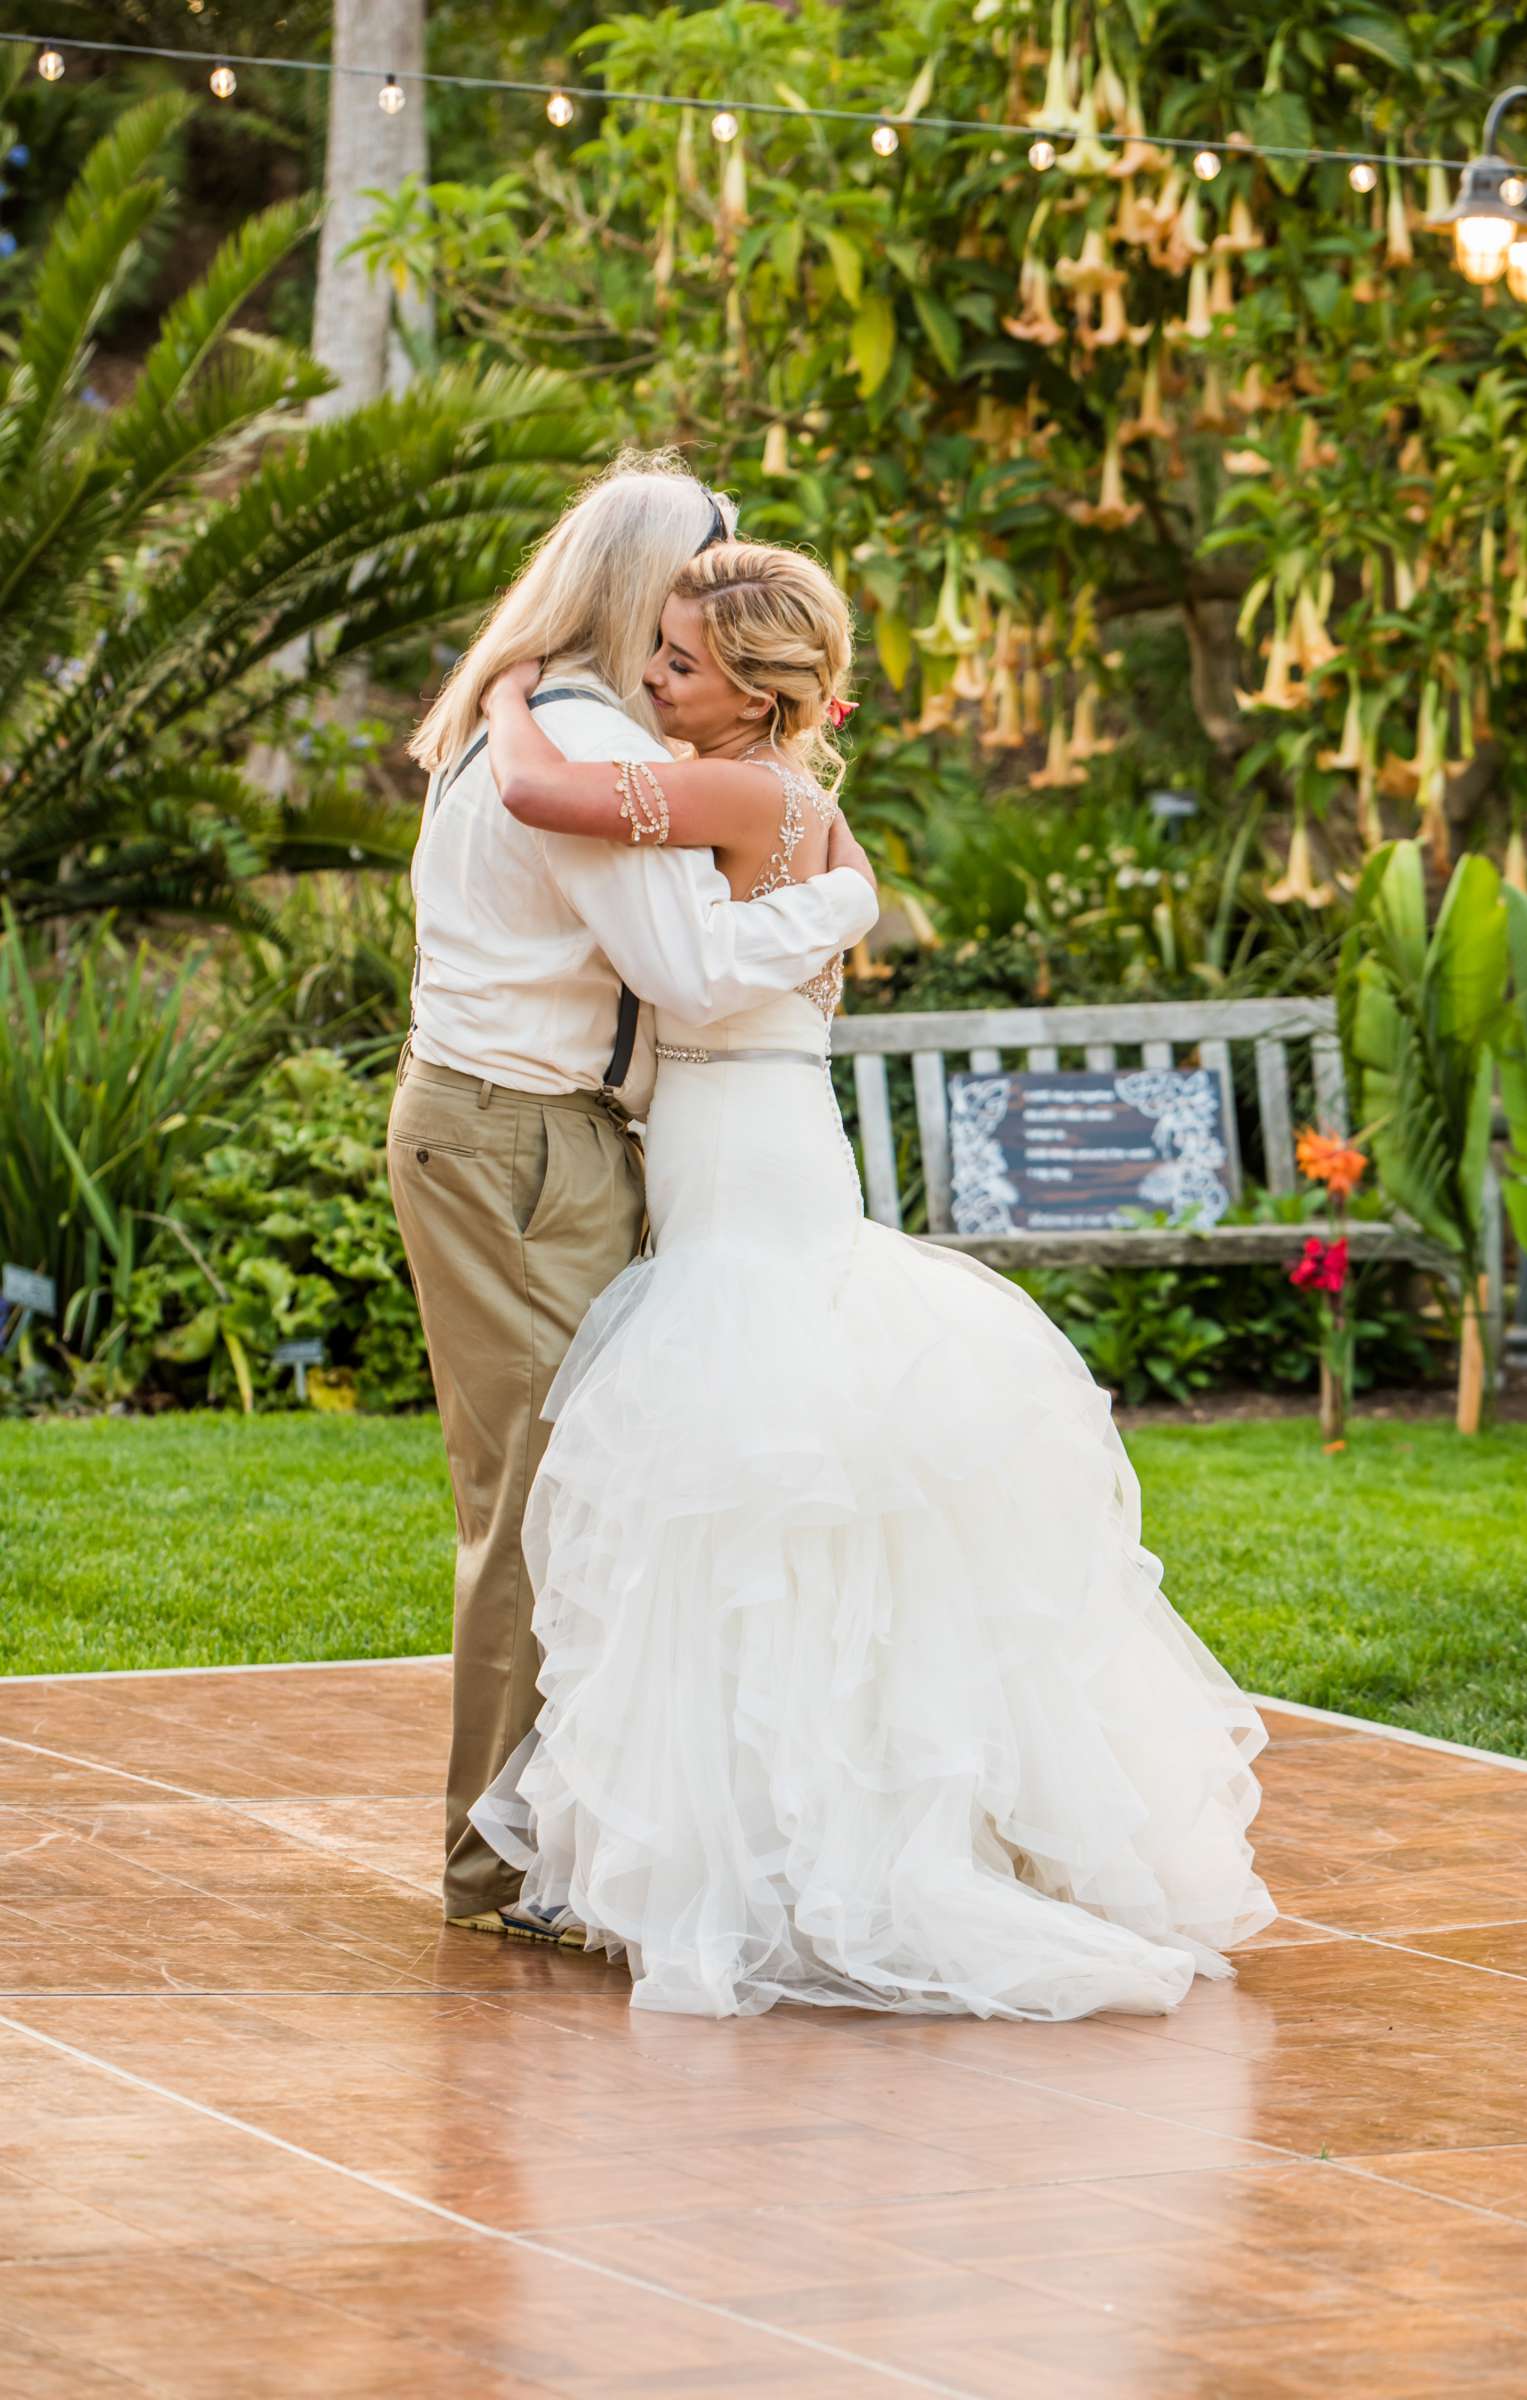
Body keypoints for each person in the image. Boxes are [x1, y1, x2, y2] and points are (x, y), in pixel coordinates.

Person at [469, 537, 1276, 2021]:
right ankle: (791, 1821)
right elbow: (823, 912)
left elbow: (535, 795)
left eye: (681, 665)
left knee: (748, 1474)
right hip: (756, 1137)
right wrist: (827, 912)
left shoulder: (734, 785)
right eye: (651, 653)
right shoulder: (805, 807)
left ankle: (776, 1846)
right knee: (782, 1485)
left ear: (760, 697)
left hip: (745, 1160)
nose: (651, 679)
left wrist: (511, 686)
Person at [395, 458, 881, 1937]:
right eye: (680, 608)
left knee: (596, 1498)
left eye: (713, 629)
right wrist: (842, 906)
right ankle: (507, 1864)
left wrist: (499, 690)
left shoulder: (567, 725)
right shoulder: (584, 738)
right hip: (520, 1141)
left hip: (568, 1142)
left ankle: (573, 1841)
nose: (692, 631)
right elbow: (682, 966)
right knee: (554, 1508)